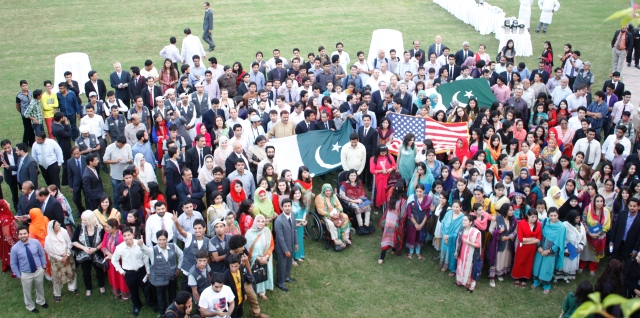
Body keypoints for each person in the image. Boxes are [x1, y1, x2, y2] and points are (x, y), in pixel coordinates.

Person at [111, 226, 150, 317]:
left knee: (146, 288)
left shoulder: (139, 244)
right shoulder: (120, 248)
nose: (127, 237)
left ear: (133, 235)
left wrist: (148, 272)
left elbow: (145, 257)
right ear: (123, 237)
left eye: (129, 235)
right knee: (133, 290)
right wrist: (121, 271)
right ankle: (137, 305)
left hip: (141, 271)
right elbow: (114, 260)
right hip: (129, 273)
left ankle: (150, 302)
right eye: (125, 236)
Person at [10, 225, 48, 313]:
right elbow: (13, 263)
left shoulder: (35, 242)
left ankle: (41, 301)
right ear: (17, 235)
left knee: (40, 287)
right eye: (20, 234)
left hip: (38, 270)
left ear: (28, 234)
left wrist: (44, 266)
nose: (23, 235)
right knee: (27, 291)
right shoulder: (15, 248)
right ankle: (30, 306)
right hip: (25, 273)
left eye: (25, 233)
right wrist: (18, 275)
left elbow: (41, 254)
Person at [146, 230, 184, 314]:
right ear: (156, 240)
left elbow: (181, 255)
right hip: (159, 279)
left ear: (167, 239)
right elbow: (145, 251)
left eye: (164, 239)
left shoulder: (173, 246)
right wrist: (141, 245)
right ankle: (163, 312)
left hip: (172, 276)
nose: (162, 242)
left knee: (172, 294)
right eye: (160, 240)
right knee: (161, 296)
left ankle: (173, 311)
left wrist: (179, 268)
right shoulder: (153, 250)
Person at [531, 209, 566, 293]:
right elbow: (538, 234)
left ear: (558, 215)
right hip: (540, 249)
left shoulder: (561, 227)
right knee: (537, 265)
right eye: (551, 216)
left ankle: (546, 285)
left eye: (555, 215)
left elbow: (559, 242)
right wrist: (539, 246)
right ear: (548, 215)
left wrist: (549, 251)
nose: (553, 217)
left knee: (547, 268)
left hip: (551, 252)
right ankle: (536, 282)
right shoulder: (545, 222)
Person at [71, 210, 105, 297]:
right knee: (86, 272)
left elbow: (103, 241)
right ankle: (88, 288)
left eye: (84, 220)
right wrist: (84, 248)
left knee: (99, 270)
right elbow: (74, 241)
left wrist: (95, 248)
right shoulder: (80, 227)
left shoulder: (100, 228)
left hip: (96, 253)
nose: (82, 222)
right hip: (84, 254)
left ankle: (101, 285)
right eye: (82, 220)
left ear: (90, 220)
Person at [44, 220, 77, 302]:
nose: (59, 227)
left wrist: (67, 255)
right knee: (57, 276)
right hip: (56, 260)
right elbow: (49, 251)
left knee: (71, 272)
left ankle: (73, 287)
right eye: (57, 226)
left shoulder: (64, 232)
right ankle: (57, 293)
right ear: (52, 228)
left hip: (67, 256)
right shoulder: (48, 238)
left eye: (59, 225)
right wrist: (60, 258)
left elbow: (69, 243)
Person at [580, 194, 612, 275]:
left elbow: (607, 225)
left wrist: (599, 233)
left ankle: (592, 268)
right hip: (588, 235)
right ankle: (581, 265)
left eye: (601, 201)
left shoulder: (606, 211)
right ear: (594, 202)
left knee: (596, 254)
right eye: (597, 201)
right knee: (585, 251)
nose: (599, 203)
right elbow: (583, 221)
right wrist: (589, 233)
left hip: (600, 236)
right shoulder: (587, 208)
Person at [99, 218, 130, 301]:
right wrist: (109, 254)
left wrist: (113, 257)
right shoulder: (107, 234)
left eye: (108, 227)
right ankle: (117, 291)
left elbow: (124, 252)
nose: (106, 229)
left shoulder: (121, 237)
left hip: (120, 262)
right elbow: (103, 246)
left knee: (121, 278)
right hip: (111, 261)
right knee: (113, 277)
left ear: (114, 228)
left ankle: (125, 294)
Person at [378, 179, 408, 264]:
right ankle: (393, 250)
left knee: (386, 237)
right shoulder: (403, 200)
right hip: (396, 222)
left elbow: (388, 208)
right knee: (395, 236)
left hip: (388, 221)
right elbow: (402, 214)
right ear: (403, 189)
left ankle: (382, 257)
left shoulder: (391, 197)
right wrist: (401, 222)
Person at [315, 184, 352, 251]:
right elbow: (320, 211)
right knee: (331, 224)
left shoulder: (334, 195)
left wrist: (338, 212)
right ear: (323, 191)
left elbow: (339, 205)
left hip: (336, 213)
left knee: (345, 217)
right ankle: (338, 242)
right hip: (326, 215)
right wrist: (331, 215)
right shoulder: (319, 197)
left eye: (330, 191)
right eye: (326, 191)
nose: (328, 192)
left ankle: (345, 237)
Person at [488, 204, 517, 287]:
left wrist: (508, 237)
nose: (512, 212)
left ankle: (500, 273)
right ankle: (492, 277)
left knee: (505, 258)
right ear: (505, 211)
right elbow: (490, 229)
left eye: (512, 210)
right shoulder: (497, 219)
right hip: (497, 243)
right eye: (510, 210)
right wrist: (498, 232)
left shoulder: (513, 219)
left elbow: (515, 231)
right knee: (496, 258)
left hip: (508, 244)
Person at [339, 169, 373, 235]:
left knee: (367, 206)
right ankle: (360, 226)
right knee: (357, 207)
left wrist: (361, 199)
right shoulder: (344, 185)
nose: (353, 177)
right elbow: (342, 196)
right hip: (350, 200)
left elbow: (362, 193)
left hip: (360, 199)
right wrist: (354, 201)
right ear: (348, 176)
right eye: (351, 175)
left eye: (354, 175)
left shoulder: (359, 183)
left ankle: (367, 225)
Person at [454, 214, 482, 293]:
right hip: (461, 252)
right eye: (463, 220)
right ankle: (460, 281)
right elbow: (458, 241)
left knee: (470, 269)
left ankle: (471, 286)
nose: (463, 222)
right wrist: (456, 251)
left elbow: (478, 245)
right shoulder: (461, 229)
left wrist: (469, 242)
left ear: (471, 222)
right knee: (460, 266)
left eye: (465, 220)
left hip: (471, 255)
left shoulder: (476, 232)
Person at [274, 199, 297, 292]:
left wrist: (296, 243)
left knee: (288, 263)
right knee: (282, 265)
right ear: (282, 207)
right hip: (282, 248)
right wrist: (285, 250)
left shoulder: (293, 215)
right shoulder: (279, 221)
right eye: (285, 206)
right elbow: (280, 238)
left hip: (291, 244)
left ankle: (286, 277)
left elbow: (294, 230)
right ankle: (280, 282)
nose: (287, 208)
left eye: (289, 206)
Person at [405, 184, 432, 260]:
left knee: (420, 236)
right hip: (412, 222)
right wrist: (416, 224)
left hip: (422, 222)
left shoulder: (428, 199)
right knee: (412, 236)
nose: (418, 193)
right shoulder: (411, 198)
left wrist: (421, 224)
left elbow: (427, 213)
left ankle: (418, 251)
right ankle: (411, 251)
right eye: (417, 191)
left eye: (420, 191)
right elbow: (409, 213)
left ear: (424, 191)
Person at [440, 200, 464, 275]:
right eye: (453, 206)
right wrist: (444, 235)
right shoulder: (448, 213)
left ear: (460, 208)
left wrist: (449, 237)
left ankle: (452, 268)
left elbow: (459, 230)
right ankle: (445, 264)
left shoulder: (462, 217)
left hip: (454, 239)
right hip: (445, 236)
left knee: (452, 252)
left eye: (457, 207)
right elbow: (443, 224)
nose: (455, 208)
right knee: (445, 250)